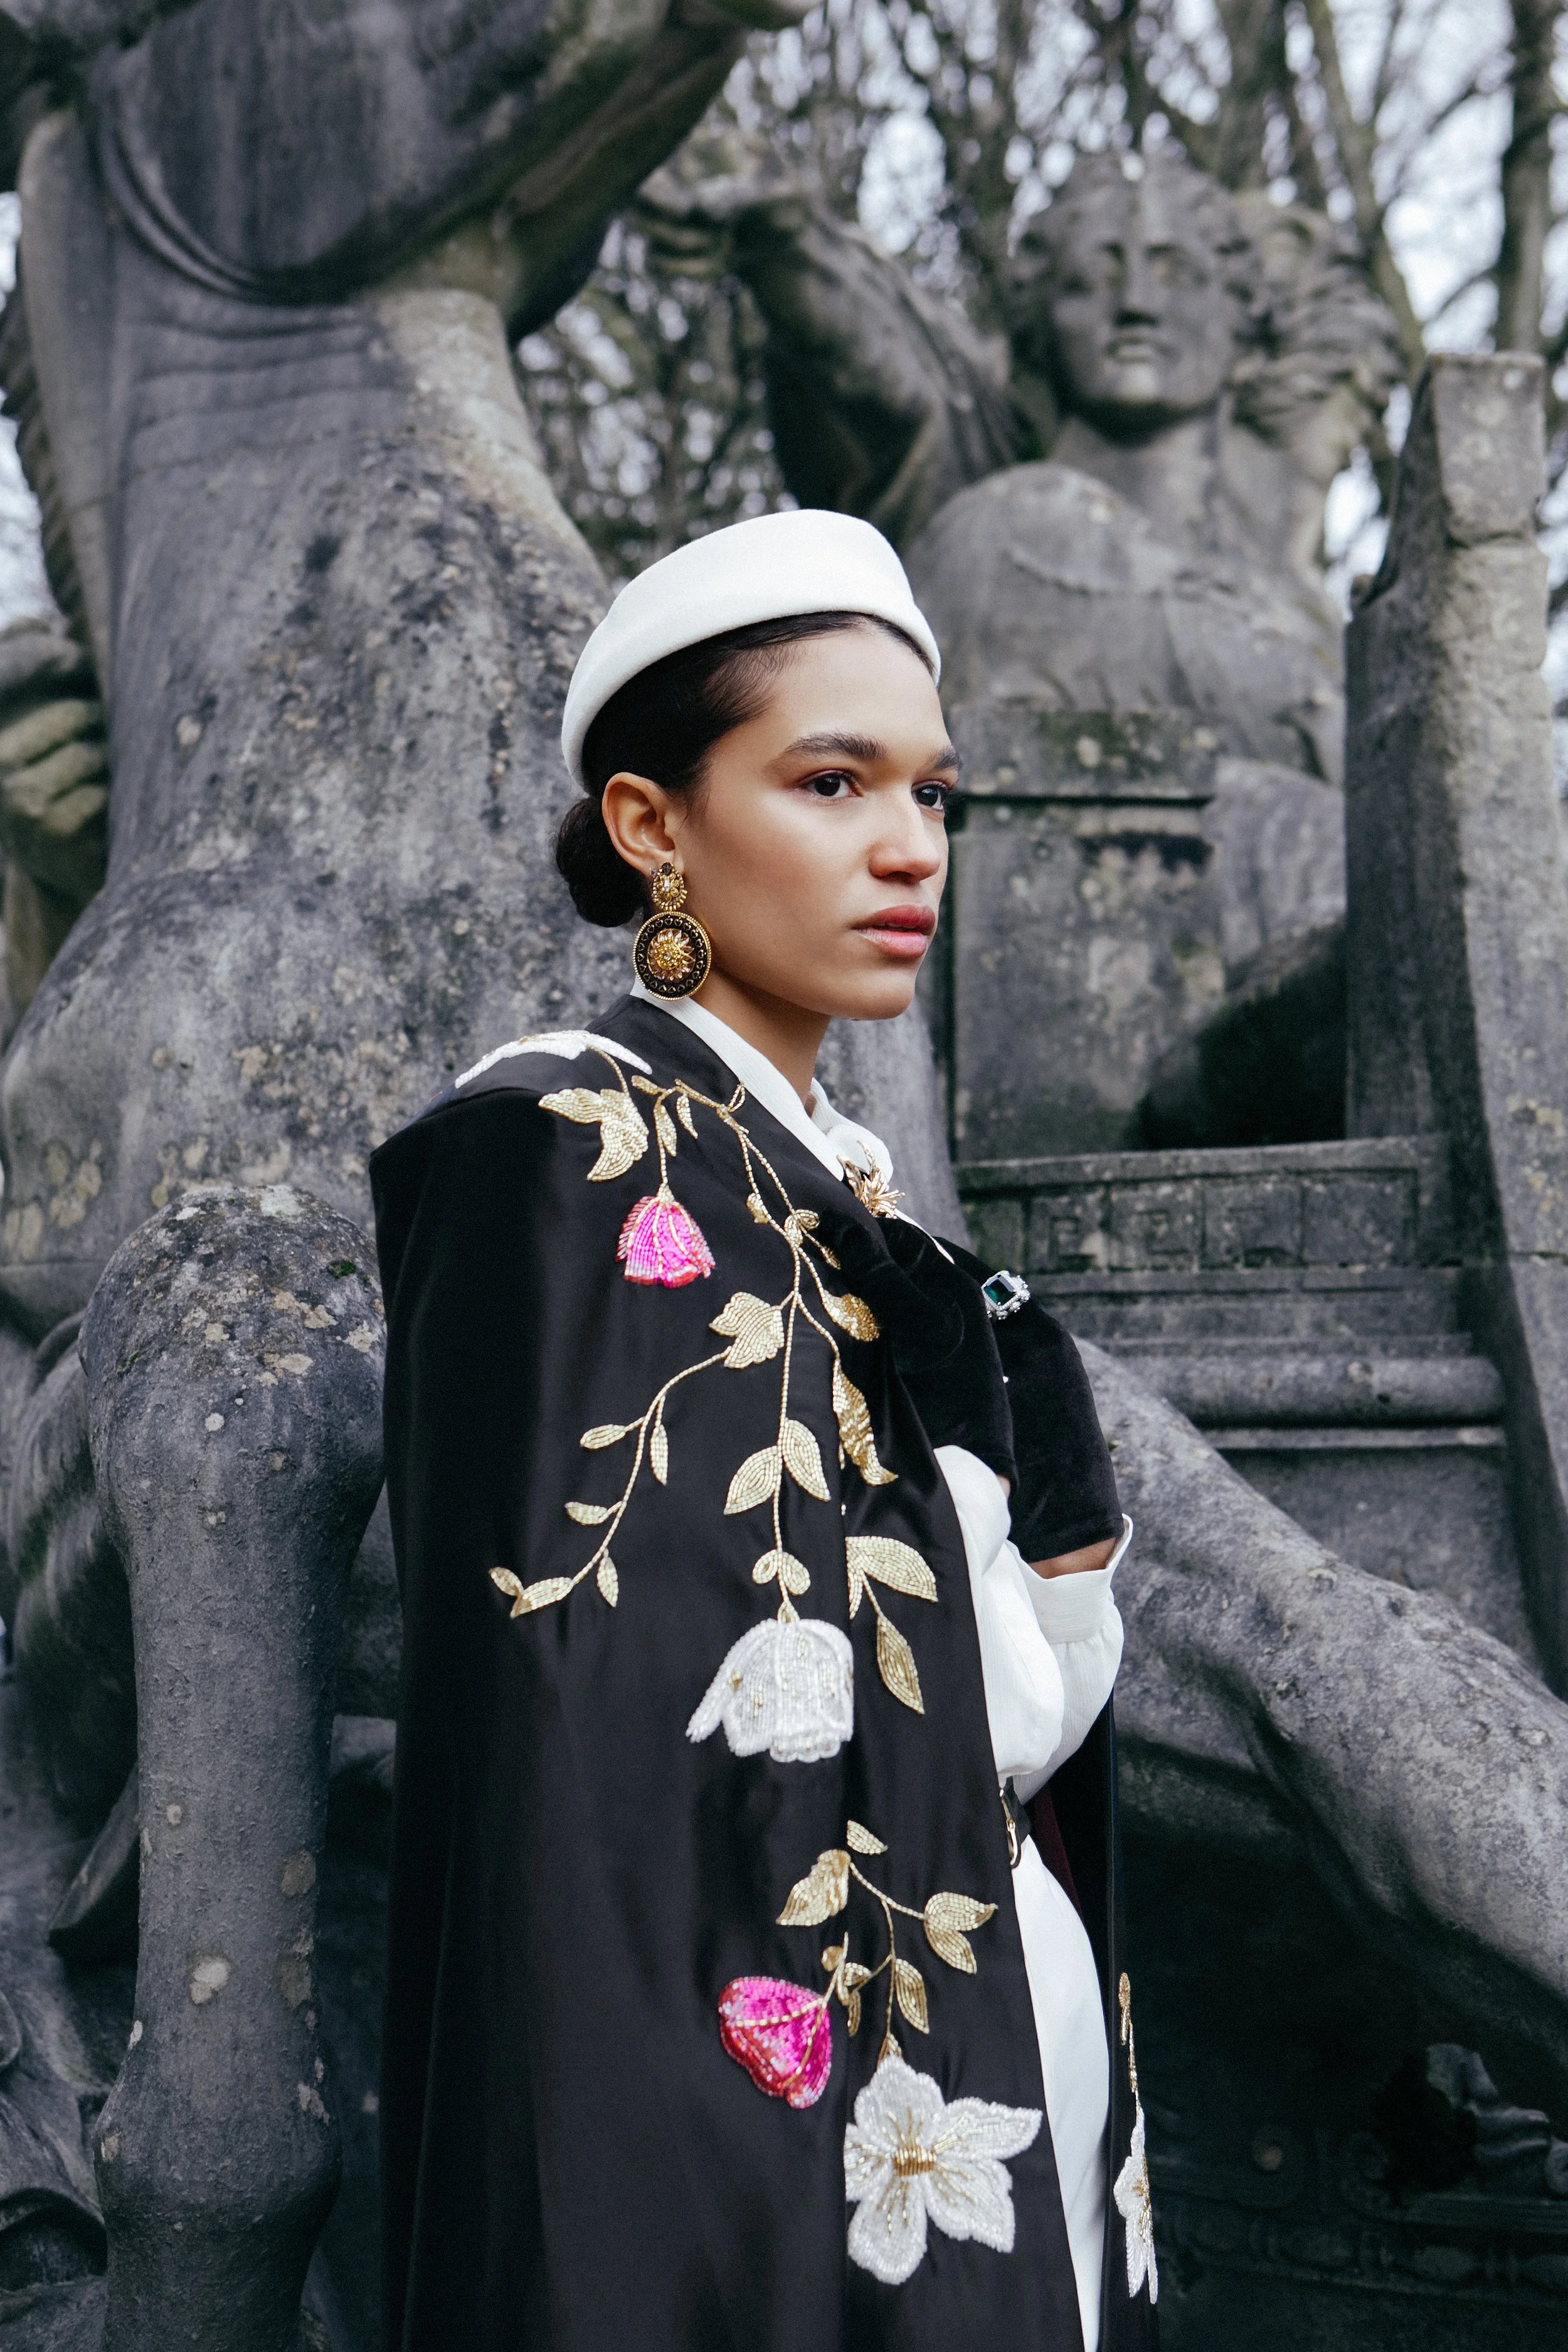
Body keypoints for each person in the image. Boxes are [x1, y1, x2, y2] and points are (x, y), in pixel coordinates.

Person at [370, 507, 1158, 2351]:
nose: (909, 845)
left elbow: (1008, 1703)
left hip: (1000, 2074)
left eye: (933, 793)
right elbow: (582, 1792)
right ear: (653, 825)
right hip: (742, 2168)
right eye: (830, 781)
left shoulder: (869, 1217)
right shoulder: (563, 1158)